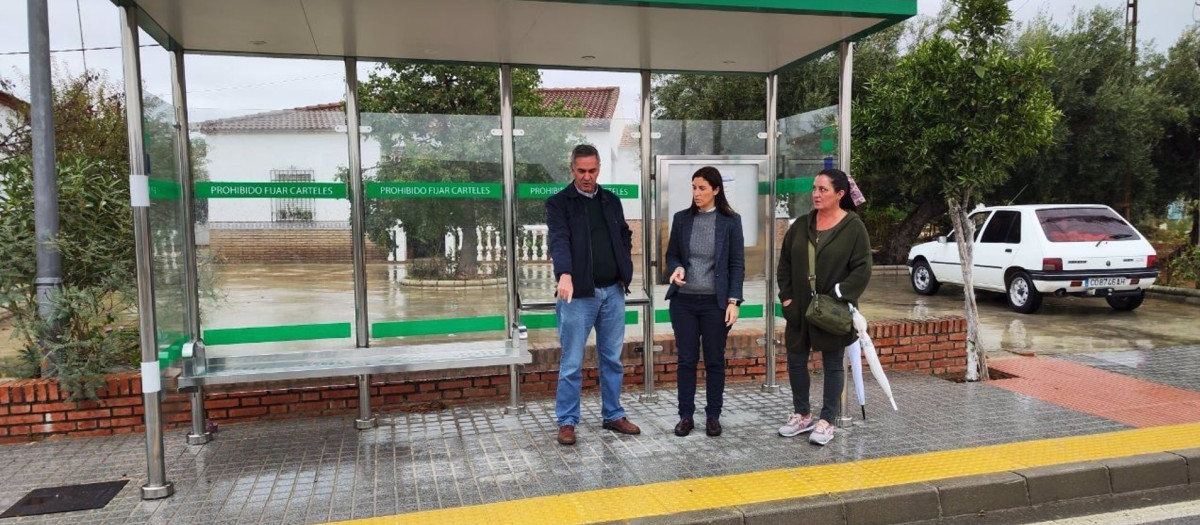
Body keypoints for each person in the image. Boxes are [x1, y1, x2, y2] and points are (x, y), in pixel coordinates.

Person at [545, 144, 640, 446]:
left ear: (599, 169)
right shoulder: (560, 203)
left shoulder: (611, 201)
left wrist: (624, 266)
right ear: (572, 169)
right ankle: (567, 421)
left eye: (592, 170)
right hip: (578, 295)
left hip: (613, 291)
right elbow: (558, 240)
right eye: (581, 171)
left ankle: (613, 414)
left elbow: (623, 235)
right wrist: (565, 274)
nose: (587, 177)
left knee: (612, 358)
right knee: (572, 362)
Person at [775, 168, 872, 446]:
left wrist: (840, 293)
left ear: (840, 194)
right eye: (814, 189)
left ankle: (827, 420)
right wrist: (788, 299)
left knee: (833, 364)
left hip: (832, 309)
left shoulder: (853, 227)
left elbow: (863, 268)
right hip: (799, 309)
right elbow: (785, 265)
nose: (816, 194)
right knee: (795, 360)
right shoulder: (801, 225)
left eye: (823, 190)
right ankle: (802, 415)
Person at [664, 166, 744, 437]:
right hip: (684, 302)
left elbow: (737, 264)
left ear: (716, 190)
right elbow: (672, 255)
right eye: (694, 188)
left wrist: (734, 301)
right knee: (686, 360)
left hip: (715, 303)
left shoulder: (730, 221)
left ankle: (713, 416)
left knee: (714, 360)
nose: (697, 193)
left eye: (702, 188)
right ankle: (686, 416)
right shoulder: (682, 219)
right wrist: (676, 269)